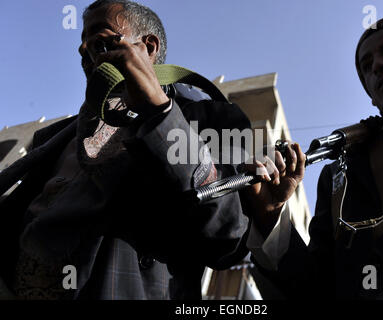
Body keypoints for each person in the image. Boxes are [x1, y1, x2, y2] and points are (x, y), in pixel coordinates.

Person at [0, 0, 255, 300]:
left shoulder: (212, 119)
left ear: (148, 47)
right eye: (82, 42)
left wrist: (160, 113)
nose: (84, 49)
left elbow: (227, 234)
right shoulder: (54, 138)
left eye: (99, 35)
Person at [246, 14, 383, 300]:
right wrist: (270, 215)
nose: (378, 66)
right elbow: (318, 288)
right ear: (372, 97)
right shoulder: (344, 175)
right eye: (367, 66)